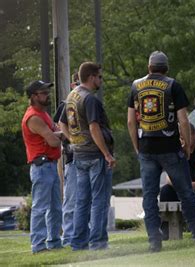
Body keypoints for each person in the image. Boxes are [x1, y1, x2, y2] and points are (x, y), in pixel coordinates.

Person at [127, 50, 195, 252]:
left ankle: (154, 242)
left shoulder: (136, 86)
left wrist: (137, 147)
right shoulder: (173, 85)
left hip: (146, 147)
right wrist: (187, 144)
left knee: (149, 196)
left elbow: (131, 121)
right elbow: (183, 120)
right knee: (186, 193)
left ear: (149, 67)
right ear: (166, 68)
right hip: (170, 147)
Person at [59, 62, 115, 251]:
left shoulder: (71, 97)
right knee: (99, 200)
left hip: (79, 155)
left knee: (82, 201)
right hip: (94, 155)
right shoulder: (90, 99)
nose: (101, 80)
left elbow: (63, 124)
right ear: (91, 77)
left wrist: (74, 141)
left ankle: (78, 242)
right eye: (99, 77)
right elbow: (93, 127)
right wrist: (106, 154)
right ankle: (98, 242)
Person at [21, 80, 63, 253]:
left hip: (51, 165)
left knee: (55, 207)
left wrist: (57, 132)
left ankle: (53, 242)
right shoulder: (34, 117)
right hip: (42, 166)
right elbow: (53, 140)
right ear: (33, 96)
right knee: (40, 207)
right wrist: (61, 134)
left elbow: (56, 132)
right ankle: (38, 245)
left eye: (47, 92)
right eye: (43, 93)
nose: (47, 95)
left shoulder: (44, 114)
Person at [53, 72, 79, 247]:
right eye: (77, 83)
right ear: (72, 85)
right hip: (73, 157)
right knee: (70, 199)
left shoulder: (90, 102)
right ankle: (68, 236)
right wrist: (70, 141)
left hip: (88, 156)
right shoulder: (66, 105)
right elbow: (57, 126)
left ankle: (84, 233)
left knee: (87, 199)